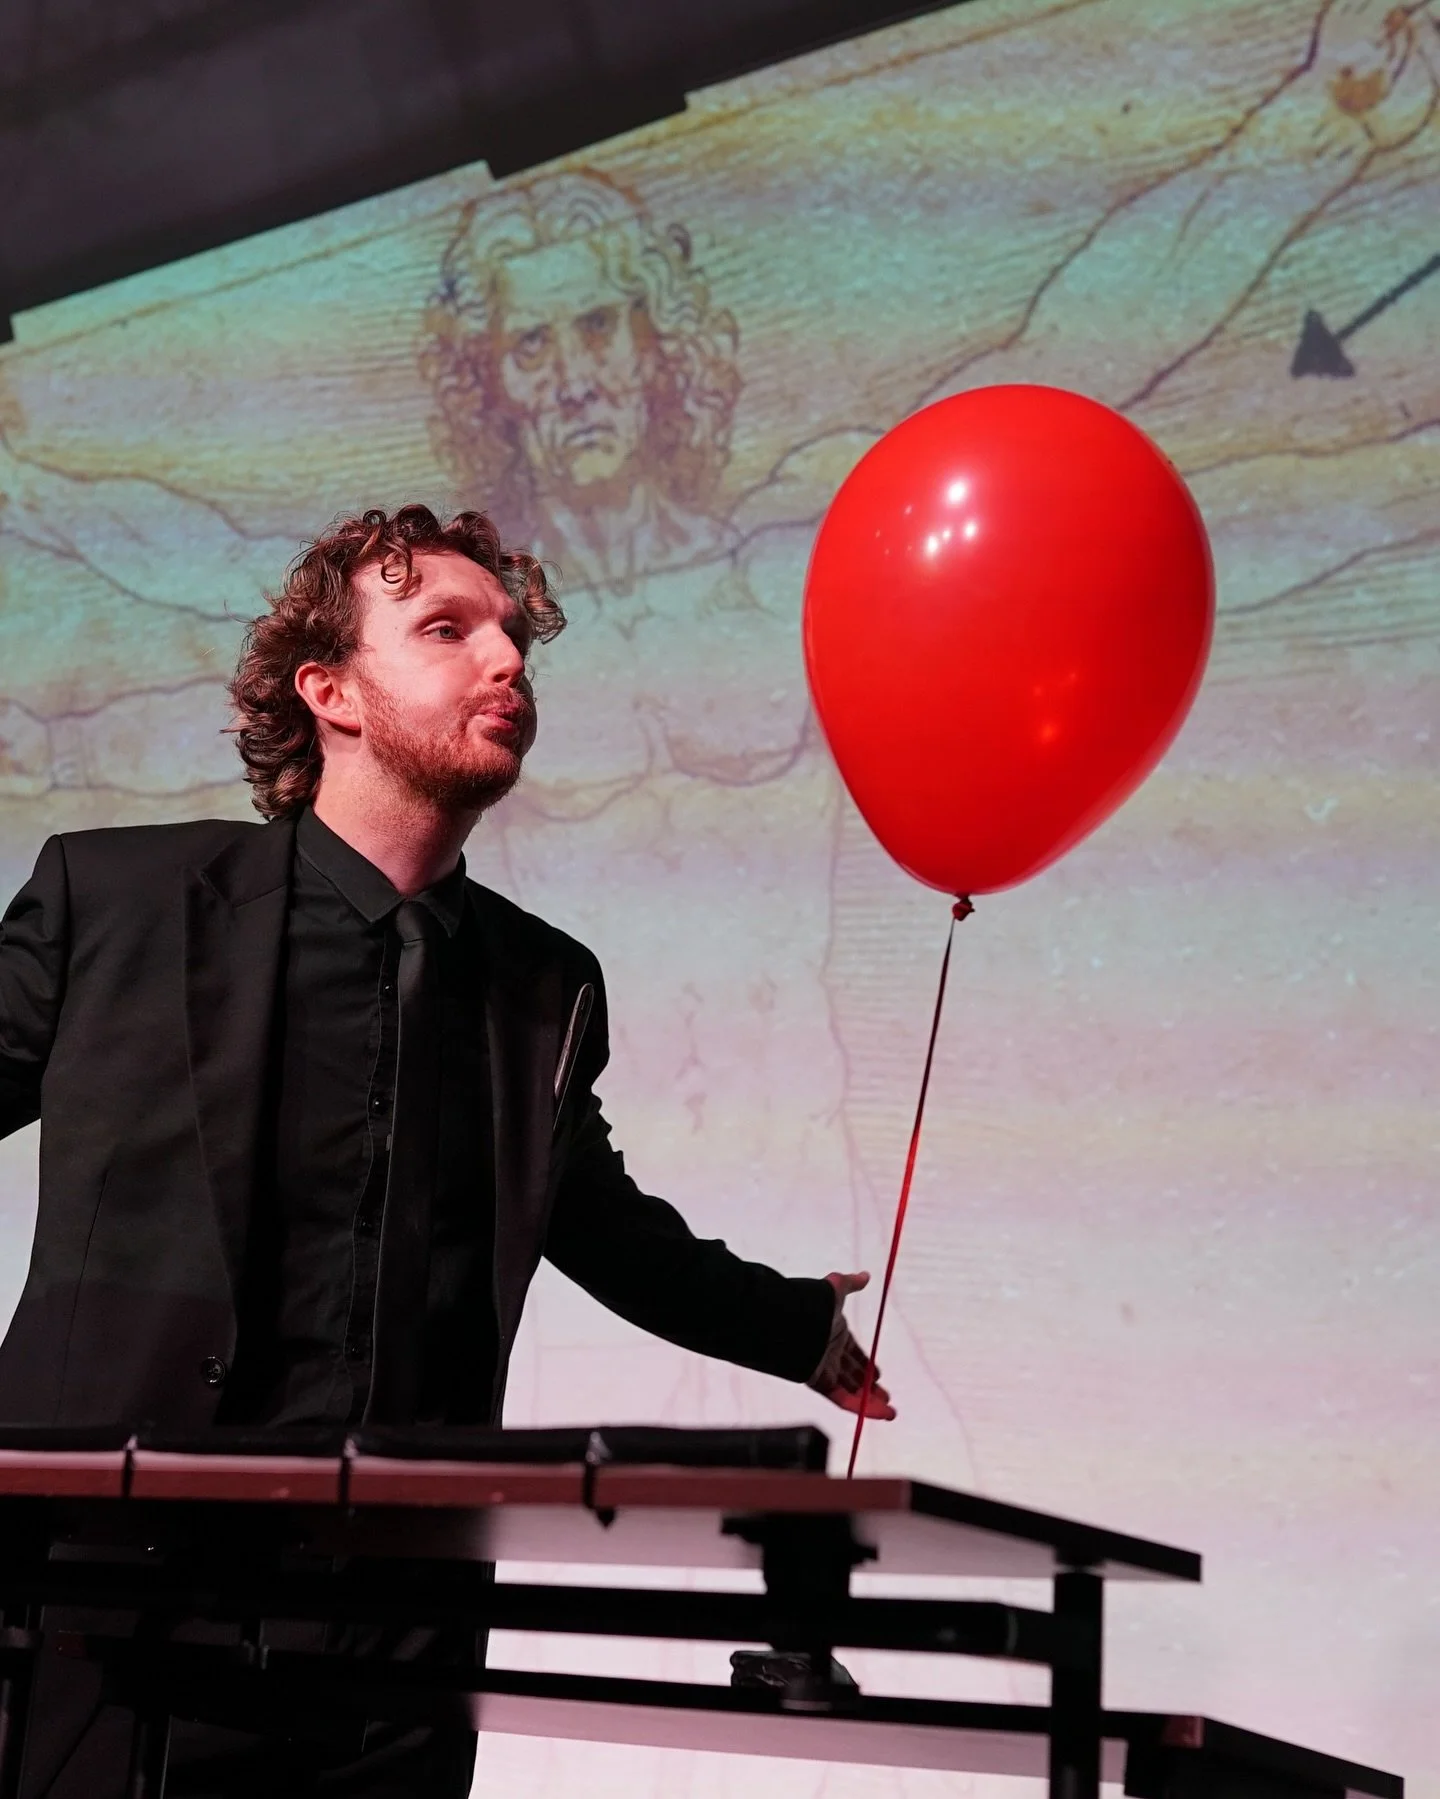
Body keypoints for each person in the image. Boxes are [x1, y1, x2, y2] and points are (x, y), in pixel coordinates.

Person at [0, 502, 891, 1797]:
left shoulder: (542, 985)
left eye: (516, 638)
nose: (508, 662)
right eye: (448, 628)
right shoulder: (118, 902)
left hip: (390, 1651)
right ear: (330, 690)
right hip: (103, 1610)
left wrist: (795, 1327)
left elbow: (593, 1216)